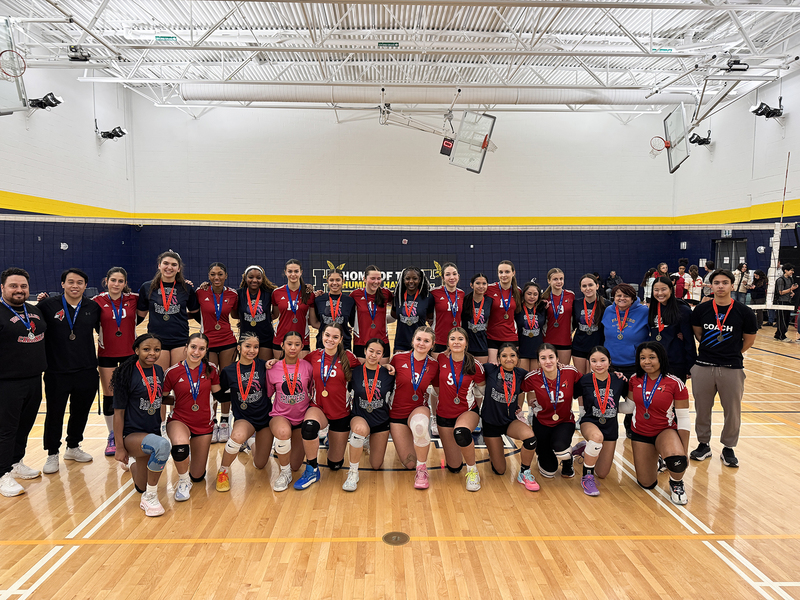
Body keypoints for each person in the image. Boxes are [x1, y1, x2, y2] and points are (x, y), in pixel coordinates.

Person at [689, 269, 757, 468]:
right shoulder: (701, 310)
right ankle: (703, 445)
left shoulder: (744, 311)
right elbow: (698, 334)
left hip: (732, 367)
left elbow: (749, 340)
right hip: (704, 366)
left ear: (732, 286)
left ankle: (728, 448)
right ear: (711, 286)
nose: (720, 286)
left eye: (725, 282)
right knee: (702, 409)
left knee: (732, 411)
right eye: (716, 282)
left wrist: (730, 353)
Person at [38, 268, 101, 474]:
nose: (75, 286)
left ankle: (73, 447)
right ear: (62, 284)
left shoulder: (93, 307)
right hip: (57, 371)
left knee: (80, 412)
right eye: (71, 282)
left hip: (86, 369)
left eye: (80, 282)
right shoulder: (47, 306)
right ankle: (52, 453)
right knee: (55, 413)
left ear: (86, 286)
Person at [112, 334, 171, 516]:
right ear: (136, 350)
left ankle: (134, 465)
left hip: (151, 431)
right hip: (132, 435)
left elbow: (158, 397)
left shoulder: (159, 371)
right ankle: (150, 497)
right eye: (146, 349)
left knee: (141, 485)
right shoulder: (126, 374)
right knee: (162, 446)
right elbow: (118, 413)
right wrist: (120, 447)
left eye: (157, 350)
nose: (152, 353)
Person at [0, 268, 47, 497]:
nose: (19, 290)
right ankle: (2, 473)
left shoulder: (34, 311)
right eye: (13, 286)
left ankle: (16, 461)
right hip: (6, 382)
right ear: (2, 288)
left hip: (34, 380)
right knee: (6, 429)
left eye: (23, 286)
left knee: (24, 425)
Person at [625, 341, 690, 506]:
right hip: (640, 433)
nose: (647, 362)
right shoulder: (634, 380)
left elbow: (683, 419)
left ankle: (676, 483)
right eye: (642, 358)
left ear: (661, 358)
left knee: (677, 461)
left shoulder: (675, 383)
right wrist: (602, 406)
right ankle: (660, 461)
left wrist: (684, 451)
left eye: (651, 357)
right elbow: (628, 407)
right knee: (646, 484)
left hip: (665, 431)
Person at [296, 324, 360, 489]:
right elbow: (294, 365)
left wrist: (388, 367)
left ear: (340, 339)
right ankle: (312, 469)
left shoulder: (348, 357)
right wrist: (274, 362)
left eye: (334, 337)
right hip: (319, 407)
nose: (330, 339)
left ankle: (329, 438)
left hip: (341, 413)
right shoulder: (313, 356)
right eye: (327, 335)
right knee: (309, 427)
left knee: (335, 465)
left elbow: (368, 369)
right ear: (322, 336)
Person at [161, 333, 221, 500]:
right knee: (180, 448)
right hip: (180, 420)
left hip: (203, 423)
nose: (196, 352)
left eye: (201, 348)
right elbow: (162, 397)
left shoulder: (211, 369)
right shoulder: (172, 372)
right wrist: (180, 398)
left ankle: (192, 477)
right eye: (193, 347)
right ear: (186, 348)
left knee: (198, 475)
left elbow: (219, 395)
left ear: (206, 350)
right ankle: (183, 480)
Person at [216, 333, 274, 492]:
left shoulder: (264, 365)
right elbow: (221, 396)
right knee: (236, 437)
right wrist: (237, 396)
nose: (252, 350)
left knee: (260, 464)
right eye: (248, 346)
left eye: (256, 347)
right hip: (245, 418)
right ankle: (223, 471)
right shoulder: (228, 371)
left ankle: (251, 442)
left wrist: (275, 362)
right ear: (239, 348)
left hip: (265, 419)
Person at [93, 267, 139, 457]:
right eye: (113, 280)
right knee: (110, 396)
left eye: (120, 281)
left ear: (125, 283)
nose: (116, 284)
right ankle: (112, 435)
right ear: (106, 280)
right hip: (107, 354)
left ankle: (129, 432)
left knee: (130, 394)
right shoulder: (96, 302)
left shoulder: (133, 299)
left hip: (129, 354)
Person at [482, 343, 539, 491]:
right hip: (491, 424)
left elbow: (542, 376)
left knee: (530, 439)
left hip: (509, 421)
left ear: (518, 358)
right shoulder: (489, 369)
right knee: (500, 470)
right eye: (504, 356)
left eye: (512, 355)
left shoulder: (521, 374)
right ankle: (493, 450)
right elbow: (469, 366)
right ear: (498, 358)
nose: (509, 359)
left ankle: (524, 472)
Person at [434, 328, 486, 490]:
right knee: (454, 467)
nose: (456, 342)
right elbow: (436, 386)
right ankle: (458, 460)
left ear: (466, 343)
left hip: (466, 411)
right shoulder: (441, 359)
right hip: (444, 414)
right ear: (448, 343)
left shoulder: (474, 364)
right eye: (453, 338)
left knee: (461, 433)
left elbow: (482, 390)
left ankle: (472, 470)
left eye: (460, 339)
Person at [389, 326, 440, 488]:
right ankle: (415, 448)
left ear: (432, 345)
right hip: (397, 414)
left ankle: (422, 469)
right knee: (409, 463)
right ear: (412, 341)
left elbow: (439, 392)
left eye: (426, 341)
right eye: (419, 339)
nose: (421, 343)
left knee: (419, 426)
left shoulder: (434, 365)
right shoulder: (398, 358)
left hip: (419, 408)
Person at [523, 343, 583, 480]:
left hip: (564, 421)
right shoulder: (532, 377)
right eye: (543, 358)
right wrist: (530, 399)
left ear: (557, 359)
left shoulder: (570, 372)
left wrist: (615, 376)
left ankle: (568, 459)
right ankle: (544, 453)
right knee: (549, 472)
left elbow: (588, 383)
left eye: (551, 357)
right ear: (538, 362)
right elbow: (518, 387)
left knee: (561, 448)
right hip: (542, 423)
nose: (548, 361)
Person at [574, 346, 628, 496]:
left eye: (602, 360)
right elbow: (568, 396)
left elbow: (630, 405)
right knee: (597, 438)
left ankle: (586, 449)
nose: (598, 364)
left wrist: (614, 408)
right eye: (594, 361)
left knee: (602, 473)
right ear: (589, 362)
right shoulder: (584, 380)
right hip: (590, 423)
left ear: (609, 362)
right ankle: (586, 477)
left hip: (610, 428)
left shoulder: (619, 380)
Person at [343, 338, 395, 491]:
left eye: (378, 353)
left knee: (376, 465)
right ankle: (353, 472)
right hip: (360, 416)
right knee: (359, 431)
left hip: (381, 420)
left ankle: (368, 441)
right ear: (365, 351)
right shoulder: (355, 372)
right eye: (371, 351)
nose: (373, 355)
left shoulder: (389, 373)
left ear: (382, 355)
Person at [265, 331, 314, 491]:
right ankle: (284, 474)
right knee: (283, 433)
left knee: (295, 465)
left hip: (301, 418)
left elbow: (311, 391)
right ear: (282, 345)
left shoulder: (307, 367)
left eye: (297, 344)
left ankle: (287, 461)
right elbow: (267, 394)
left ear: (302, 346)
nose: (293, 348)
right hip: (281, 415)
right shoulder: (272, 368)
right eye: (289, 344)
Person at [136, 251, 200, 373]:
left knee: (177, 378)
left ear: (179, 268)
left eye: (174, 264)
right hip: (156, 340)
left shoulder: (186, 288)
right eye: (165, 263)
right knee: (161, 380)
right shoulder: (147, 287)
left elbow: (196, 313)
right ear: (159, 265)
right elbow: (140, 316)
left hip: (180, 340)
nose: (169, 267)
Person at [197, 262, 239, 443]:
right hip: (208, 342)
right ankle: (211, 421)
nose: (216, 277)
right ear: (208, 276)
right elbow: (192, 312)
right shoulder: (200, 293)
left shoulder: (233, 294)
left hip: (228, 341)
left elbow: (237, 315)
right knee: (210, 381)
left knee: (226, 381)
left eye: (220, 274)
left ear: (226, 276)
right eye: (213, 274)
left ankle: (224, 421)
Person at [600, 283, 649, 437]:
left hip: (634, 365)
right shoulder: (608, 311)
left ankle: (631, 428)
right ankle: (608, 429)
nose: (622, 298)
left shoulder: (644, 311)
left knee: (634, 403)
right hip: (612, 366)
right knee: (610, 400)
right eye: (618, 295)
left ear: (633, 297)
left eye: (626, 295)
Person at [648, 277, 696, 382]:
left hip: (676, 363)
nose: (659, 293)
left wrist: (690, 365)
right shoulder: (653, 308)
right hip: (655, 363)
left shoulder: (683, 310)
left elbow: (689, 340)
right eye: (656, 290)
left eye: (663, 289)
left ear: (671, 289)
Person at [271, 259, 315, 358]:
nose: (293, 274)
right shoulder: (277, 293)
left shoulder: (309, 294)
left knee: (301, 372)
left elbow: (313, 321)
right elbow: (275, 315)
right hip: (280, 339)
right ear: (285, 272)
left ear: (301, 272)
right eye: (290, 271)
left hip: (302, 339)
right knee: (281, 371)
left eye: (296, 271)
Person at [351, 265, 393, 361]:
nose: (376, 281)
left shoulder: (386, 293)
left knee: (382, 374)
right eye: (372, 278)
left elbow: (396, 309)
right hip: (361, 342)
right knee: (362, 374)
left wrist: (386, 320)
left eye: (379, 278)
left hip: (382, 341)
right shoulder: (355, 295)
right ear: (364, 279)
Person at [237, 265, 277, 361]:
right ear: (245, 278)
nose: (254, 280)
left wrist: (306, 288)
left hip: (265, 337)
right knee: (247, 369)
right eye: (251, 277)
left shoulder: (269, 293)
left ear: (262, 279)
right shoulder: (238, 294)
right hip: (246, 337)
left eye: (258, 278)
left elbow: (275, 314)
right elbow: (234, 314)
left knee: (264, 368)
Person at [310, 268, 356, 351]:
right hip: (323, 344)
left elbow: (353, 323)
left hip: (343, 345)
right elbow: (315, 322)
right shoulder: (319, 300)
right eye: (331, 280)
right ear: (327, 281)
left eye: (338, 280)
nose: (334, 283)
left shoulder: (350, 301)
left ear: (343, 281)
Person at [486, 261, 521, 364]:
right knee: (493, 370)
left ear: (513, 273)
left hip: (511, 337)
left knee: (510, 370)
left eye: (507, 272)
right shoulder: (489, 289)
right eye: (501, 272)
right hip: (492, 337)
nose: (503, 275)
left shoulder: (518, 292)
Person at [392, 266, 433, 353]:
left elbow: (430, 316)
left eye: (415, 278)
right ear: (403, 279)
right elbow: (394, 314)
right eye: (407, 278)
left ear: (420, 279)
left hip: (421, 342)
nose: (411, 281)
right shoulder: (398, 296)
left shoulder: (427, 297)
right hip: (401, 342)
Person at [571, 274, 606, 375]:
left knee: (594, 377)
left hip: (598, 347)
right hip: (579, 346)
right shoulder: (576, 304)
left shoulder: (606, 304)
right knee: (581, 378)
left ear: (597, 286)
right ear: (581, 289)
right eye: (584, 286)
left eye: (590, 285)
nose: (588, 288)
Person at [429, 262, 464, 355]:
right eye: (448, 274)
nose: (452, 277)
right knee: (438, 368)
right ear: (443, 278)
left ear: (458, 276)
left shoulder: (462, 294)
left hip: (457, 340)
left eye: (454, 274)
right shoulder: (434, 293)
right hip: (438, 340)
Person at [542, 268, 575, 366]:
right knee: (548, 371)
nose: (559, 282)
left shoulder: (570, 295)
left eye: (561, 279)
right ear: (549, 281)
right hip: (548, 340)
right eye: (555, 279)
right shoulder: (543, 298)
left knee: (563, 371)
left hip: (565, 340)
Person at [515, 282, 546, 373]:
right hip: (522, 349)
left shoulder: (542, 309)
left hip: (537, 349)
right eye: (529, 294)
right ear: (523, 294)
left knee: (534, 378)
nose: (532, 297)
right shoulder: (517, 309)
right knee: (523, 378)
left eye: (535, 294)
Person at [461, 273, 491, 364]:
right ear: (471, 285)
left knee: (480, 374)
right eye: (478, 283)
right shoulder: (464, 300)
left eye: (484, 283)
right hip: (466, 346)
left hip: (482, 345)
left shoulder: (489, 301)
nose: (481, 286)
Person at [774, 263, 797, 342]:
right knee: (782, 320)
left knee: (787, 320)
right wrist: (791, 290)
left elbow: (789, 290)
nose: (792, 272)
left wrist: (792, 293)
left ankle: (778, 334)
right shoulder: (780, 280)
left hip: (788, 301)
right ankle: (781, 335)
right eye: (791, 270)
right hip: (781, 302)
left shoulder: (790, 279)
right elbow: (780, 292)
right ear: (785, 270)